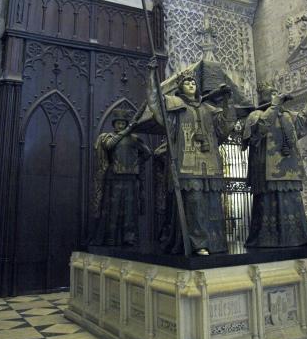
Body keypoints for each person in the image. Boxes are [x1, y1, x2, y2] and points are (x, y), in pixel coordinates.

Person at [147, 63, 236, 255]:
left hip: (210, 163)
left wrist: (227, 101)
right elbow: (155, 104)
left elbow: (225, 126)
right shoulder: (175, 106)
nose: (190, 85)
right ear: (180, 87)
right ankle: (198, 243)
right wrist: (152, 75)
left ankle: (215, 242)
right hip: (186, 165)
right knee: (194, 203)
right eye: (186, 82)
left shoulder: (208, 108)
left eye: (192, 82)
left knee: (212, 203)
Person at [242, 84, 307, 247]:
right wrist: (274, 105)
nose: (276, 95)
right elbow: (259, 130)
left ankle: (299, 237)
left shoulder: (287, 115)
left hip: (289, 167)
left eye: (276, 92)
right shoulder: (256, 114)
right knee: (268, 203)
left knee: (293, 202)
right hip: (265, 168)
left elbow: (302, 123)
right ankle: (267, 239)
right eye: (271, 93)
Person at [92, 108, 151, 247]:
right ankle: (111, 237)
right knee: (113, 209)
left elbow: (147, 153)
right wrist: (127, 131)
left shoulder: (134, 139)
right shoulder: (108, 137)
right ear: (114, 124)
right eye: (118, 123)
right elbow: (109, 145)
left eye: (123, 123)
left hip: (131, 178)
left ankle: (129, 238)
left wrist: (136, 163)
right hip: (114, 178)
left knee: (130, 210)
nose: (121, 125)